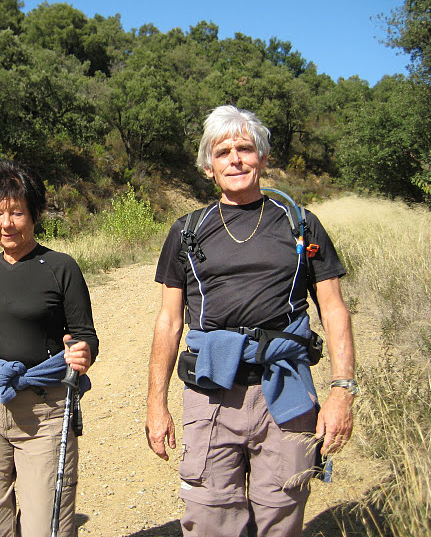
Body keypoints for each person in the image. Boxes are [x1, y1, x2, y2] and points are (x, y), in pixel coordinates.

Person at [145, 105, 356, 537]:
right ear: (208, 165)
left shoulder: (300, 225)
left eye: (245, 148)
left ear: (261, 156)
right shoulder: (187, 230)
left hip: (287, 391)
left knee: (281, 518)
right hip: (211, 392)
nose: (235, 159)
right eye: (223, 151)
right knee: (208, 519)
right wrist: (156, 403)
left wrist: (342, 391)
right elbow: (168, 321)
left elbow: (333, 308)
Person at [0, 160, 99, 537]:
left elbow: (85, 336)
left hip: (44, 408)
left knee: (46, 526)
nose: (6, 223)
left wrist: (82, 353)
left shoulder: (60, 267)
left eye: (16, 212)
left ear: (34, 214)